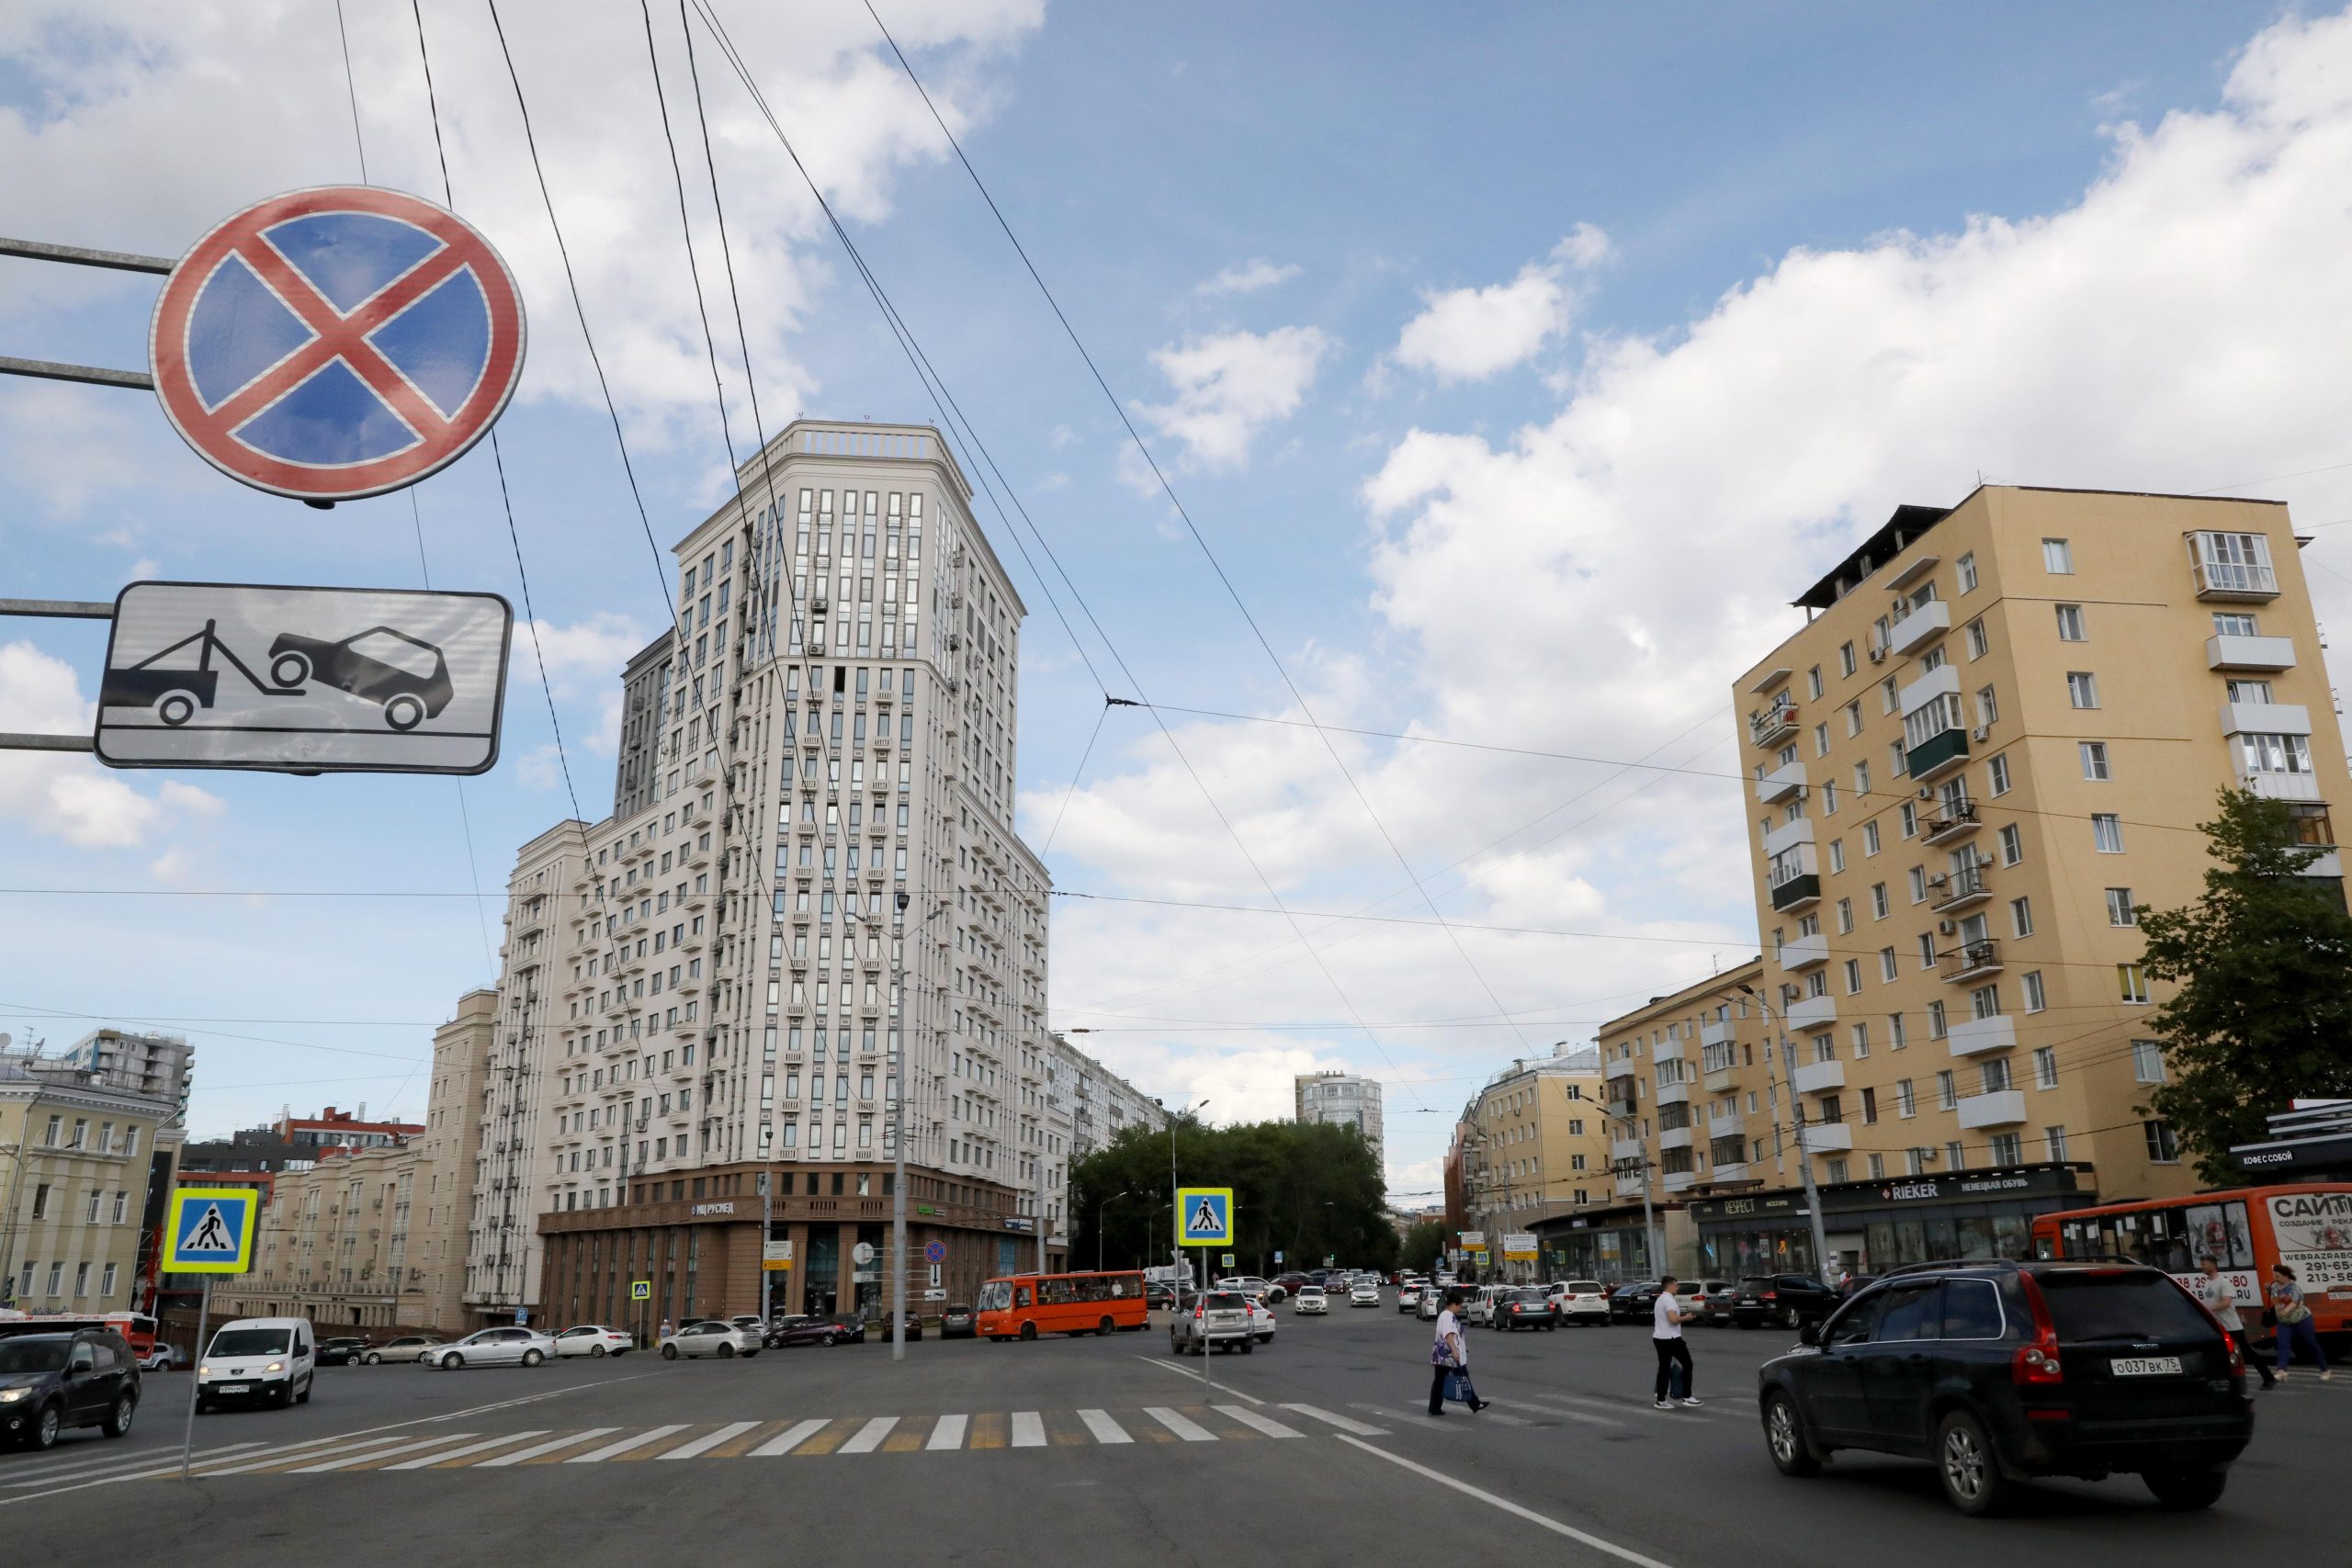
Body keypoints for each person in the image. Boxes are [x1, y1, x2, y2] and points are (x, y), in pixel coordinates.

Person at [2197, 1256, 2274, 1389]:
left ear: (2213, 1265)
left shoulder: (2224, 1282)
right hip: (2217, 1326)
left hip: (2231, 1326)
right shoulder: (2207, 1283)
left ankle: (2268, 1377)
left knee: (2247, 1353)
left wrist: (2209, 1309)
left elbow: (2226, 1302)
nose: (2202, 1267)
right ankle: (2225, 1382)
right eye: (2201, 1264)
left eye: (2204, 1264)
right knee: (2219, 1354)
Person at [1428, 1287, 1488, 1416]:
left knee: (1440, 1381)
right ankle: (1475, 1404)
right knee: (1463, 1378)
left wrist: (1461, 1346)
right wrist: (1455, 1351)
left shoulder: (1446, 1315)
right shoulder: (1447, 1316)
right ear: (1454, 1304)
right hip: (1448, 1355)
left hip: (1443, 1354)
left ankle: (1434, 1407)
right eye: (1460, 1305)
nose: (1460, 1308)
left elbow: (1453, 1336)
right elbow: (1449, 1334)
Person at [2268, 1264, 2332, 1382]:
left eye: (2278, 1276)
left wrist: (2285, 1310)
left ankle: (2325, 1371)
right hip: (2284, 1321)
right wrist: (2278, 1309)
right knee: (2283, 1344)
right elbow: (2275, 1299)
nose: (2276, 1278)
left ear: (2286, 1276)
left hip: (2301, 1319)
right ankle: (2281, 1370)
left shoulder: (2294, 1288)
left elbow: (2295, 1302)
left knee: (2311, 1343)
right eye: (2275, 1276)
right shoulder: (2275, 1287)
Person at [1652, 1274, 1702, 1410]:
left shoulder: (1660, 1299)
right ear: (1669, 1285)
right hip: (1671, 1338)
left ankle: (1661, 1400)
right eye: (1676, 1285)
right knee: (1687, 1364)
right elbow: (1673, 1319)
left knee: (1664, 1368)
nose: (1677, 1287)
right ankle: (1687, 1396)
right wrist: (1686, 1317)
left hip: (1659, 1337)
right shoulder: (1669, 1300)